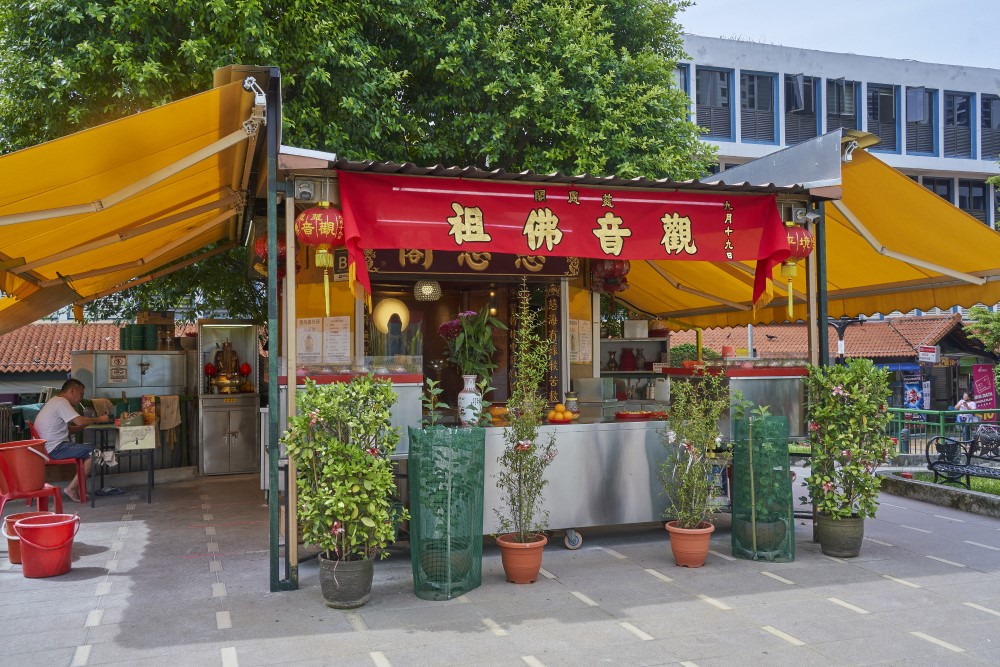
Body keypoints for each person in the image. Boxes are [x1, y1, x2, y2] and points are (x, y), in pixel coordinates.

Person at [33, 378, 111, 502]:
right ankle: (72, 488)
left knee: (90, 449)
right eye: (81, 394)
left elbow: (66, 429)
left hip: (47, 447)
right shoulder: (61, 402)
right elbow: (79, 420)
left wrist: (82, 426)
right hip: (54, 449)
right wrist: (99, 420)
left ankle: (78, 488)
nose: (81, 398)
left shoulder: (54, 401)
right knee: (94, 452)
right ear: (72, 391)